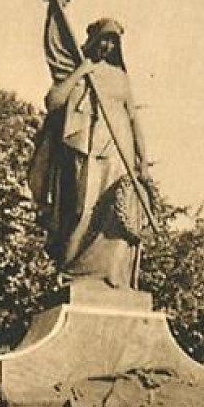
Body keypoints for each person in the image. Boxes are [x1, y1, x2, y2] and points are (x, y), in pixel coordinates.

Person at [28, 15, 153, 289]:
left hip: (121, 151)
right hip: (87, 148)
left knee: (118, 215)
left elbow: (133, 120)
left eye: (113, 42)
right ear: (94, 41)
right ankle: (75, 273)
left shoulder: (121, 77)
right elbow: (53, 101)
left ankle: (112, 275)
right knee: (83, 209)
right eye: (104, 41)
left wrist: (142, 160)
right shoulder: (82, 69)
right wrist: (80, 73)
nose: (107, 47)